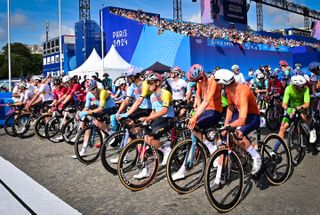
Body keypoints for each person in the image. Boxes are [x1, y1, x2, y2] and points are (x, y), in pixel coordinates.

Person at [173, 64, 222, 180]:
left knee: (195, 125)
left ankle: (211, 148)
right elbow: (198, 97)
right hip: (206, 110)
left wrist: (196, 116)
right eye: (197, 80)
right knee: (192, 127)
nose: (200, 80)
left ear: (204, 73)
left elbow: (207, 100)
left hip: (215, 111)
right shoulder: (200, 83)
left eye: (201, 78)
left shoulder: (212, 81)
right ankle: (183, 169)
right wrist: (198, 110)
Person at [214, 69, 262, 178]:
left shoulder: (243, 90)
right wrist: (225, 124)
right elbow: (230, 106)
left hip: (252, 116)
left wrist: (227, 127)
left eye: (219, 84)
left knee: (238, 134)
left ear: (224, 84)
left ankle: (256, 156)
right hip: (239, 113)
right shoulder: (229, 89)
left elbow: (242, 120)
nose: (219, 86)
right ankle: (243, 153)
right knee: (225, 135)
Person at [136, 72, 175, 179]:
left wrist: (150, 118)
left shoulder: (165, 93)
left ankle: (165, 149)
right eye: (147, 83)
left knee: (150, 138)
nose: (148, 85)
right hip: (158, 119)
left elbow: (164, 110)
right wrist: (147, 120)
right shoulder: (152, 95)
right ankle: (145, 170)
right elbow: (153, 111)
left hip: (168, 119)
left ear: (157, 82)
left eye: (150, 83)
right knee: (144, 138)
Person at [72, 80, 117, 158]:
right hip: (100, 108)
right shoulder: (89, 95)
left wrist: (87, 113)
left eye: (95, 88)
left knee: (97, 121)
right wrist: (80, 113)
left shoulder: (102, 92)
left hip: (111, 108)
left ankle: (111, 132)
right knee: (87, 129)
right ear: (89, 89)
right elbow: (87, 107)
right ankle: (83, 150)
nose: (95, 90)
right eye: (92, 89)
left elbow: (100, 109)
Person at [278, 75, 317, 144]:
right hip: (291, 109)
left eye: (303, 85)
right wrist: (289, 110)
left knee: (303, 116)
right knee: (282, 128)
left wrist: (296, 109)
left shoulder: (306, 88)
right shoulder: (288, 88)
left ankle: (312, 130)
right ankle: (274, 150)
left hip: (302, 107)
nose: (303, 87)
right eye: (301, 86)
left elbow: (307, 104)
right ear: (295, 86)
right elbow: (284, 104)